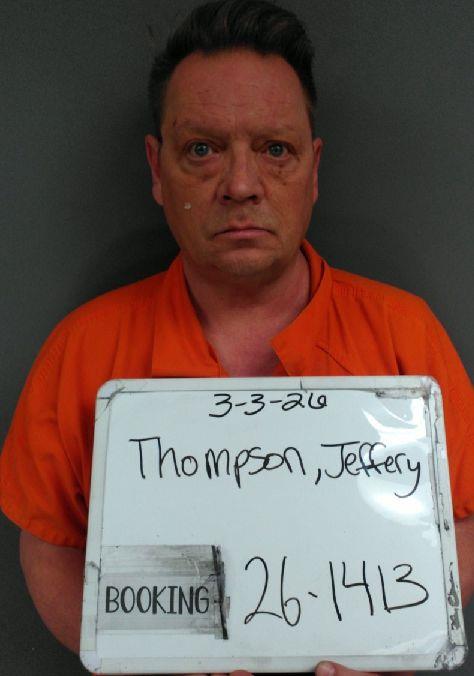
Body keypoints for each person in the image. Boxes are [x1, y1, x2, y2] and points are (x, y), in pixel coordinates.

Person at [0, 1, 472, 675]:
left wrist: (386, 644)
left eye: (275, 150)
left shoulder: (405, 333)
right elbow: (50, 547)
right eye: (203, 149)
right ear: (157, 168)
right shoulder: (82, 349)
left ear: (313, 169)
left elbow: (466, 524)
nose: (242, 185)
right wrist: (153, 657)